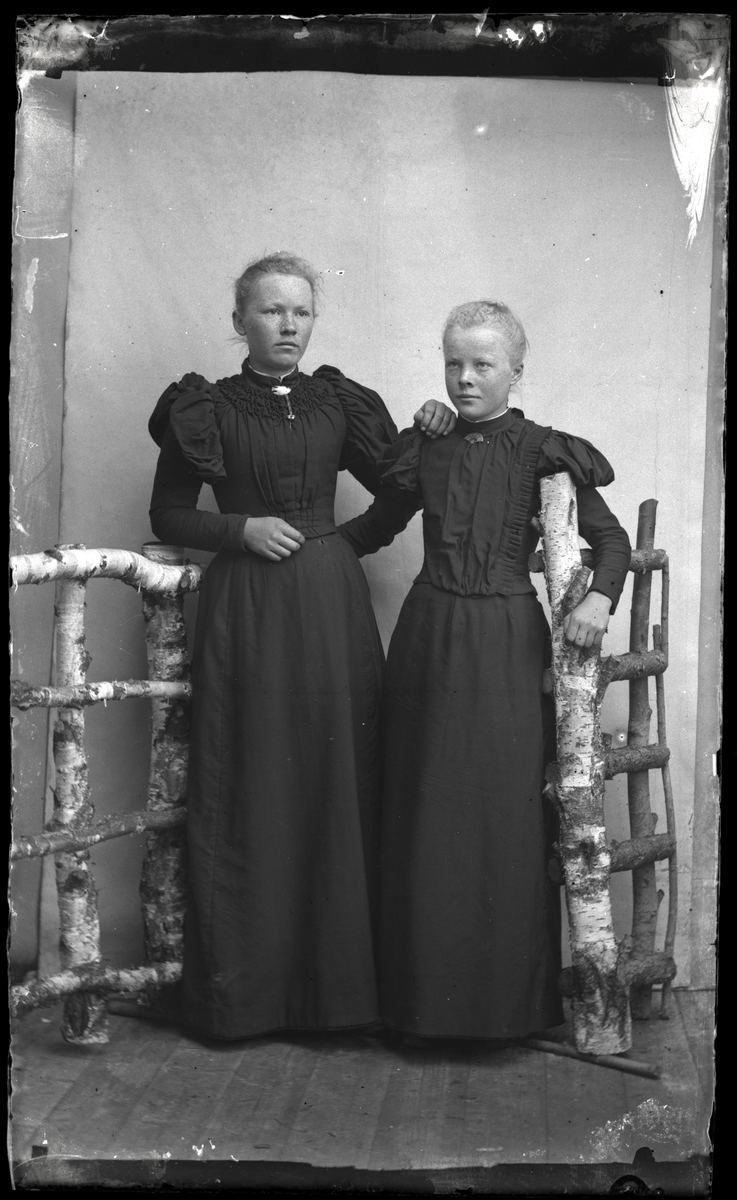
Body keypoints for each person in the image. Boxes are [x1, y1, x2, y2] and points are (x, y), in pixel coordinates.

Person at [147, 252, 455, 1040]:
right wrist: (238, 530)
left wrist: (341, 538)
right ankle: (244, 1001)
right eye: (270, 310)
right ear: (239, 320)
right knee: (251, 776)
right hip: (246, 608)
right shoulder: (203, 408)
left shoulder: (336, 403)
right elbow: (169, 515)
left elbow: (399, 492)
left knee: (336, 776)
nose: (287, 325)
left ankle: (337, 1001)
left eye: (300, 312)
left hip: (329, 606)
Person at [377, 300, 632, 1042]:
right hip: (426, 637)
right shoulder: (425, 444)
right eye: (452, 362)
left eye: (482, 364)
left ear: (516, 371)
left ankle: (500, 1011)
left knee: (500, 813)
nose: (464, 378)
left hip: (503, 642)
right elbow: (375, 526)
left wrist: (599, 599)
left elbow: (610, 540)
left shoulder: (543, 449)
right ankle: (417, 1008)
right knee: (421, 812)